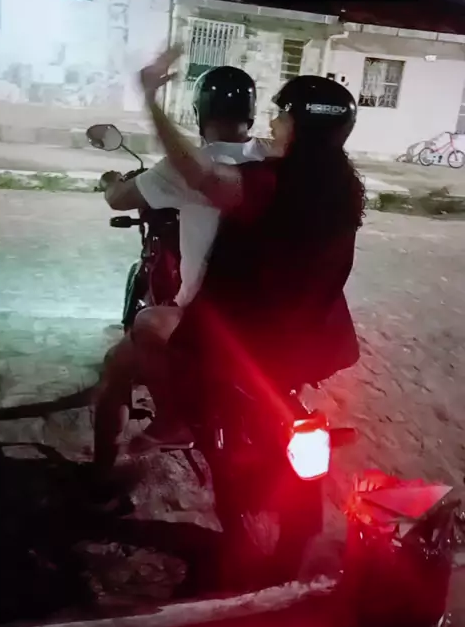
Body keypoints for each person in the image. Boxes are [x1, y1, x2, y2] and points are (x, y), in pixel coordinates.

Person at [135, 46, 365, 442]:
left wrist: (151, 100)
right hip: (315, 339)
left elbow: (201, 174)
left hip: (250, 336)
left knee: (146, 324)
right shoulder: (345, 187)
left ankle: (174, 419)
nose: (272, 124)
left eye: (282, 117)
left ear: (300, 128)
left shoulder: (270, 183)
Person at [93, 64, 275, 488]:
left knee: (117, 367)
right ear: (251, 112)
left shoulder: (190, 167)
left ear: (199, 112)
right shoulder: (275, 158)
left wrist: (110, 182)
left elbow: (120, 199)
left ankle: (104, 479)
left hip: (207, 319)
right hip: (270, 317)